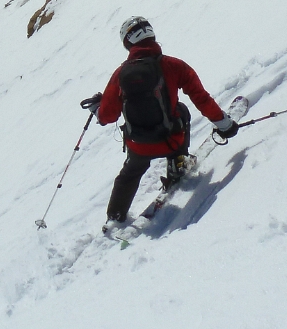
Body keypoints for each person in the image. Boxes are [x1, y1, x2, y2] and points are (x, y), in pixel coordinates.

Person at [81, 16, 238, 231]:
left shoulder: (120, 75)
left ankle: (115, 216)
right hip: (171, 139)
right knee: (180, 110)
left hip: (138, 145)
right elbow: (200, 98)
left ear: (128, 43)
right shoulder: (173, 66)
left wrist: (97, 108)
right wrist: (224, 124)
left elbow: (107, 116)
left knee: (130, 173)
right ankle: (177, 162)